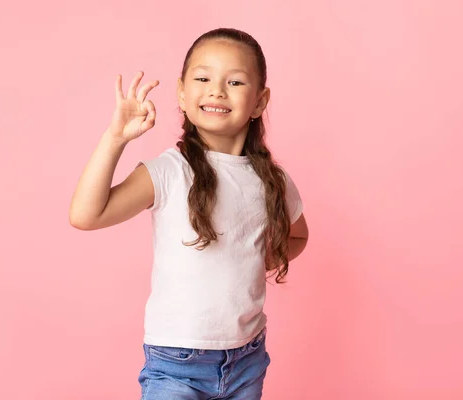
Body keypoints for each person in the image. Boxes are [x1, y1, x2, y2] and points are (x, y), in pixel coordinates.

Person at [69, 27, 309, 400]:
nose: (216, 90)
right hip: (176, 364)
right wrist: (116, 137)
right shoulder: (170, 171)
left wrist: (257, 258)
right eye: (203, 78)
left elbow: (297, 235)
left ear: (260, 102)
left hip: (247, 358)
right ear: (181, 93)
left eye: (235, 81)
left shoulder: (272, 180)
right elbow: (86, 215)